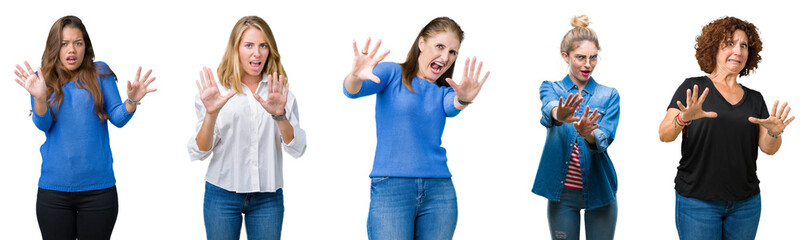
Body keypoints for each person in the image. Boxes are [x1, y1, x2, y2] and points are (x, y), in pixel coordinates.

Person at [343, 16, 489, 240]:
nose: (445, 57)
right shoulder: (392, 73)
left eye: (452, 52)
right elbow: (353, 90)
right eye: (440, 46)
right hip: (392, 187)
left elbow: (452, 106)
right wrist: (354, 76)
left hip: (439, 191)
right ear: (422, 43)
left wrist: (464, 99)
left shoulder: (445, 91)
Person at [13, 15, 157, 240]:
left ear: (86, 46)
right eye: (64, 43)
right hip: (54, 192)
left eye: (77, 43)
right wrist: (39, 97)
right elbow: (43, 124)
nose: (71, 50)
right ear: (55, 47)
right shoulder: (42, 79)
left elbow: (118, 118)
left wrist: (131, 101)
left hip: (98, 192)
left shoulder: (100, 72)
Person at [657, 16, 795, 240]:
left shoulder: (755, 99)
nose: (738, 51)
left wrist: (775, 131)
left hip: (746, 205)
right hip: (697, 202)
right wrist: (683, 118)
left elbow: (769, 149)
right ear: (713, 48)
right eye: (730, 43)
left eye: (744, 46)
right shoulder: (693, 87)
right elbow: (664, 134)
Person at [187, 16, 306, 240]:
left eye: (263, 46)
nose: (257, 53)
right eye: (249, 45)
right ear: (236, 49)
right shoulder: (217, 92)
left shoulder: (280, 93)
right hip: (221, 195)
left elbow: (297, 148)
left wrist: (279, 115)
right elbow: (199, 151)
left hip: (268, 198)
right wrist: (211, 114)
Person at [531, 15, 620, 240]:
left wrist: (588, 134)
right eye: (580, 57)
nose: (587, 64)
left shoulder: (609, 95)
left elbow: (604, 138)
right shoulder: (551, 87)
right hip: (562, 195)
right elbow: (549, 106)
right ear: (566, 56)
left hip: (600, 192)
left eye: (593, 57)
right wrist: (558, 114)